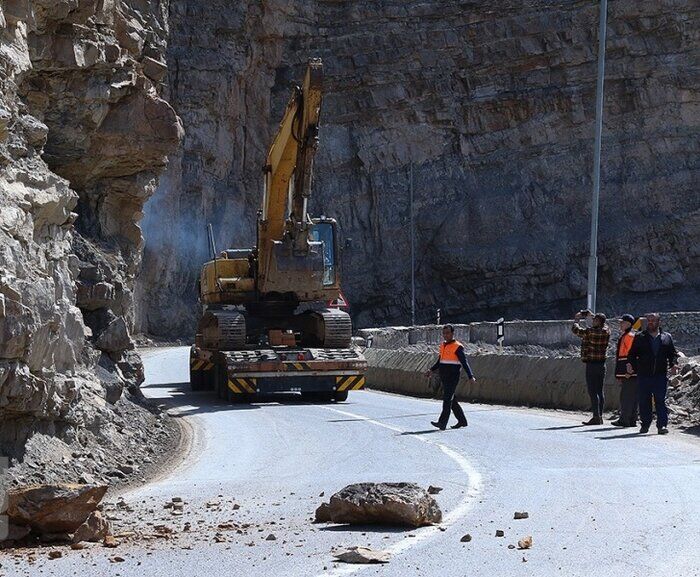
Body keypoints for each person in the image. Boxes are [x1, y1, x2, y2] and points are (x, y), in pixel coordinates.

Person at [626, 313, 679, 435]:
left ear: (659, 322)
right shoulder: (640, 337)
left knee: (660, 400)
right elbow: (632, 354)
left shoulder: (666, 337)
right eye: (648, 320)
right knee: (644, 400)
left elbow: (672, 354)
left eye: (653, 320)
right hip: (644, 375)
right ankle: (645, 424)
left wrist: (673, 364)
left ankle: (662, 425)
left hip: (660, 375)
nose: (650, 322)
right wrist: (630, 365)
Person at [425, 324, 476, 430]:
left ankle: (442, 423)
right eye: (444, 333)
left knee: (447, 399)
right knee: (452, 400)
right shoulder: (443, 345)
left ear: (452, 333)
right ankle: (462, 420)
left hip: (453, 377)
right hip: (444, 376)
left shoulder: (458, 347)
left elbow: (464, 362)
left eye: (448, 333)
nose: (445, 335)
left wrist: (470, 376)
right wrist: (431, 370)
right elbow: (440, 361)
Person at [572, 310, 611, 425]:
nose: (593, 321)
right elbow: (605, 324)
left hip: (592, 364)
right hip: (601, 364)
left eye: (595, 320)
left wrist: (576, 319)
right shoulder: (607, 330)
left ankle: (596, 416)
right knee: (600, 391)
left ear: (598, 322)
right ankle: (600, 416)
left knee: (593, 391)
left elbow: (576, 330)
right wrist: (593, 315)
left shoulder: (591, 332)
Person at [611, 314, 639, 427]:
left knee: (626, 396)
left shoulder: (629, 336)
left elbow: (631, 354)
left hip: (629, 372)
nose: (620, 324)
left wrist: (629, 370)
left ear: (628, 323)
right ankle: (631, 420)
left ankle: (625, 419)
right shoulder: (628, 335)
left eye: (622, 322)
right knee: (632, 396)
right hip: (630, 371)